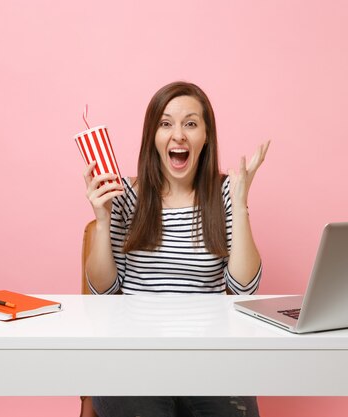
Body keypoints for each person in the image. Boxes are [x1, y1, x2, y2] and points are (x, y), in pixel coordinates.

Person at [83, 81, 269, 417]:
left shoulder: (225, 193)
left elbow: (244, 286)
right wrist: (102, 219)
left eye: (191, 123)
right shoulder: (125, 194)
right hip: (134, 359)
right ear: (152, 136)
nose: (178, 135)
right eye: (166, 124)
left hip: (209, 360)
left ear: (206, 136)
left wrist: (240, 204)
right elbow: (104, 289)